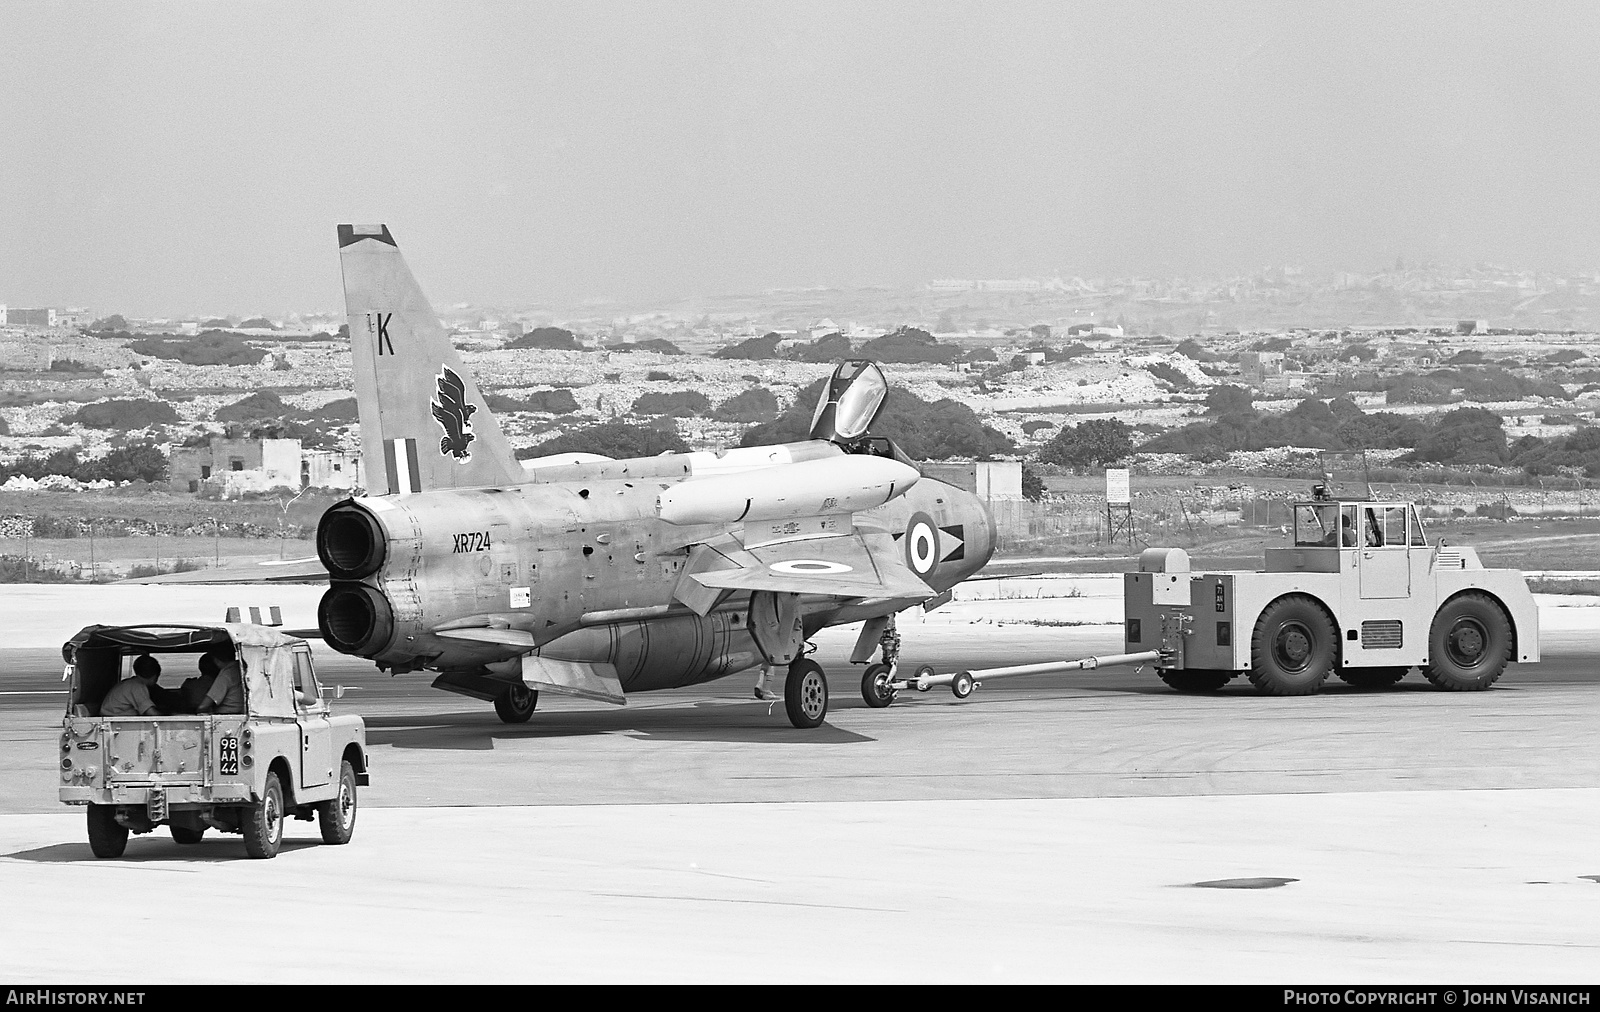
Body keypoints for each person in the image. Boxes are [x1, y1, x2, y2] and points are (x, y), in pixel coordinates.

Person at [99, 654, 166, 717]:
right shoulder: (137, 686)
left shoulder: (130, 683)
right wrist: (168, 715)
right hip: (115, 720)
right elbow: (151, 713)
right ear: (154, 676)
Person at [196, 648, 245, 715]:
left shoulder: (227, 673)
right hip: (242, 711)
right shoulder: (242, 668)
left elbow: (203, 706)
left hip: (227, 714)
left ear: (216, 660)